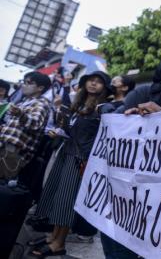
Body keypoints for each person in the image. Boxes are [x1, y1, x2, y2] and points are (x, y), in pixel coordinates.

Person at [30, 71, 112, 257]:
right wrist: (59, 129)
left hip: (80, 159)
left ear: (105, 88)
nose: (93, 84)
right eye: (90, 80)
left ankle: (59, 243)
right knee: (56, 196)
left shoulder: (103, 107)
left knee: (67, 201)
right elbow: (71, 129)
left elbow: (101, 137)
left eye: (99, 82)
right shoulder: (78, 103)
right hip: (66, 152)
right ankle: (53, 237)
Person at [0, 72, 51, 178]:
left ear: (40, 88)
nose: (24, 85)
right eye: (23, 82)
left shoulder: (41, 104)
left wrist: (20, 114)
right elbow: (15, 127)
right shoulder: (24, 102)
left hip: (14, 152)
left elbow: (35, 124)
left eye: (28, 83)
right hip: (6, 147)